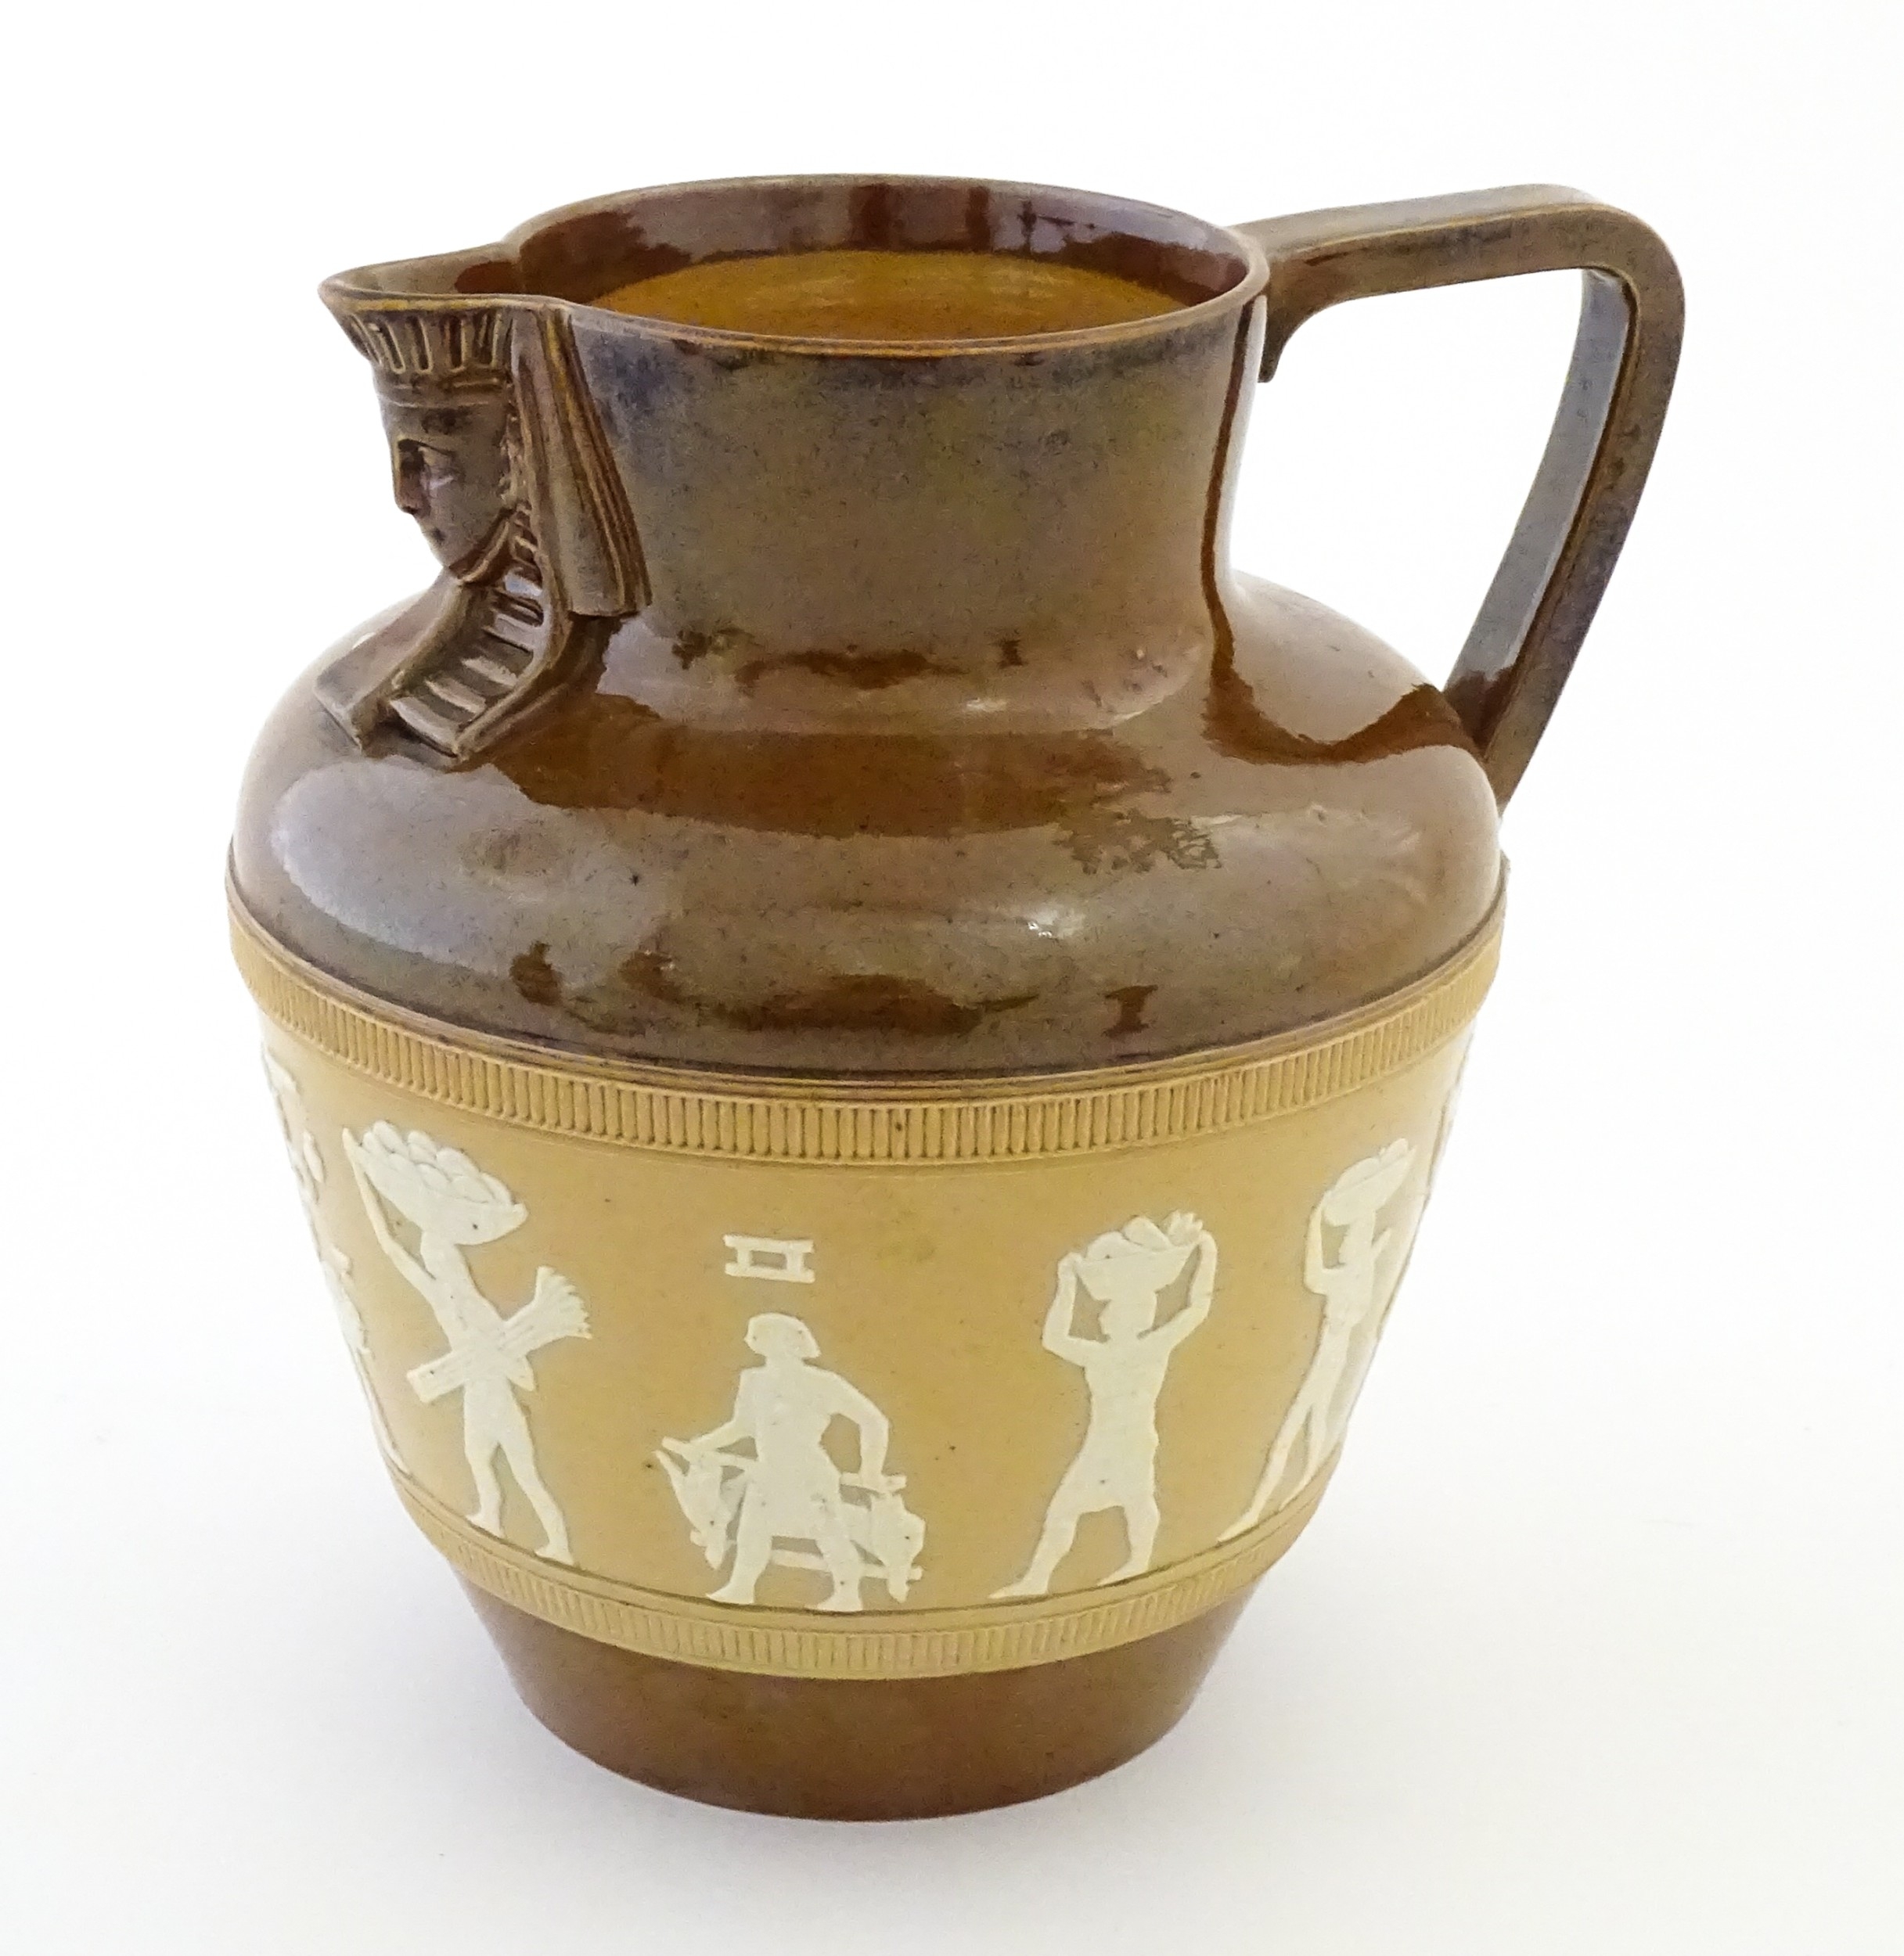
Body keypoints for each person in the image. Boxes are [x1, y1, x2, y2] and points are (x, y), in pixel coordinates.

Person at [345, 1122, 588, 1563]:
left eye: (441, 1260)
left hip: (495, 1398)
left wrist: (504, 1348)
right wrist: (361, 1176)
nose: (435, 1261)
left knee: (525, 1474)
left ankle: (556, 1541)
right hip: (481, 1393)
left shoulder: (473, 1310)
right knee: (480, 1461)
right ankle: (493, 1516)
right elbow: (395, 1251)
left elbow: (516, 1367)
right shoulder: (444, 1299)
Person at [994, 1214, 1217, 1598]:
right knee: (1069, 1510)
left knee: (1133, 1501)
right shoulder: (1104, 1354)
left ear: (1135, 1316)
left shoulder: (1149, 1349)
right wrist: (1067, 1282)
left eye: (1113, 1310)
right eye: (1107, 1309)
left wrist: (1206, 1253)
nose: (1104, 1315)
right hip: (1102, 1442)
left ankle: (1137, 1562)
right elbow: (1054, 1339)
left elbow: (1197, 1309)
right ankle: (1039, 1579)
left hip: (1131, 1439)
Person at [1222, 1138, 1415, 1541]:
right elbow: (1323, 1271)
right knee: (1301, 1430)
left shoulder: (1354, 1272)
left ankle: (1260, 1505)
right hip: (1330, 1358)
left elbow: (1316, 1274)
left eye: (1350, 1240)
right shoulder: (1361, 1265)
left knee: (1297, 1430)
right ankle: (1260, 1504)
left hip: (1330, 1361)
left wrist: (1318, 1226)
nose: (1345, 1245)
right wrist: (1320, 1225)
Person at [660, 1314, 916, 1613]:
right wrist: (701, 1445)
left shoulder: (822, 1383)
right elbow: (742, 1426)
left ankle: (847, 1594)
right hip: (769, 1469)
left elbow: (874, 1421)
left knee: (829, 1532)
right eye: (756, 1335)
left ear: (792, 1341)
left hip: (809, 1470)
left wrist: (870, 1470)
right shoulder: (753, 1380)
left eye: (765, 1334)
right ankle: (742, 1586)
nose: (756, 1340)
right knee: (753, 1529)